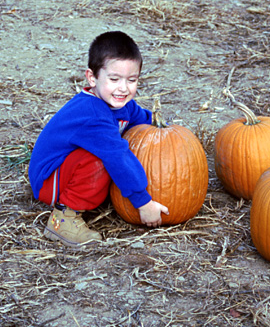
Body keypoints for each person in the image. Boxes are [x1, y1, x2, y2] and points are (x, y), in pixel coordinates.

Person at [28, 31, 169, 246]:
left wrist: (165, 130)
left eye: (132, 80)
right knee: (103, 158)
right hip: (50, 181)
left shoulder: (121, 104)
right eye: (114, 79)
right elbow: (117, 156)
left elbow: (141, 119)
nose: (123, 88)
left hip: (66, 170)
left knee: (114, 149)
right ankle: (63, 218)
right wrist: (143, 202)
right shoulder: (93, 115)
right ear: (92, 78)